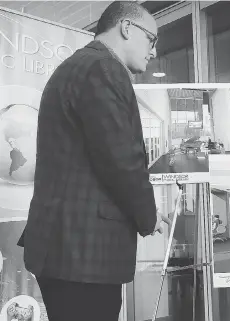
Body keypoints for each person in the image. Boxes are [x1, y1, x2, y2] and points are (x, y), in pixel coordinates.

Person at [16, 2, 171, 321]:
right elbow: (120, 157)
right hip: (83, 253)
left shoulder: (78, 67)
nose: (153, 52)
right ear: (127, 28)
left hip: (67, 249)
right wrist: (148, 215)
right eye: (151, 40)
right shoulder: (102, 68)